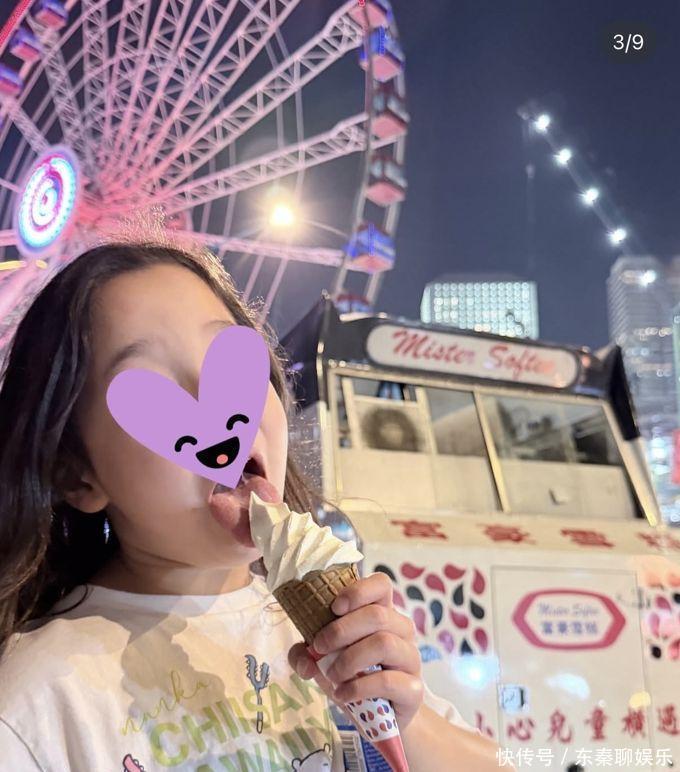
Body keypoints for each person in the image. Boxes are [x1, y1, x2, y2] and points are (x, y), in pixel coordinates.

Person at [0, 242, 505, 771]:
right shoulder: (38, 704)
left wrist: (406, 719)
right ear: (76, 475)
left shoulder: (330, 629)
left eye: (230, 361)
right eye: (155, 388)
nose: (219, 404)